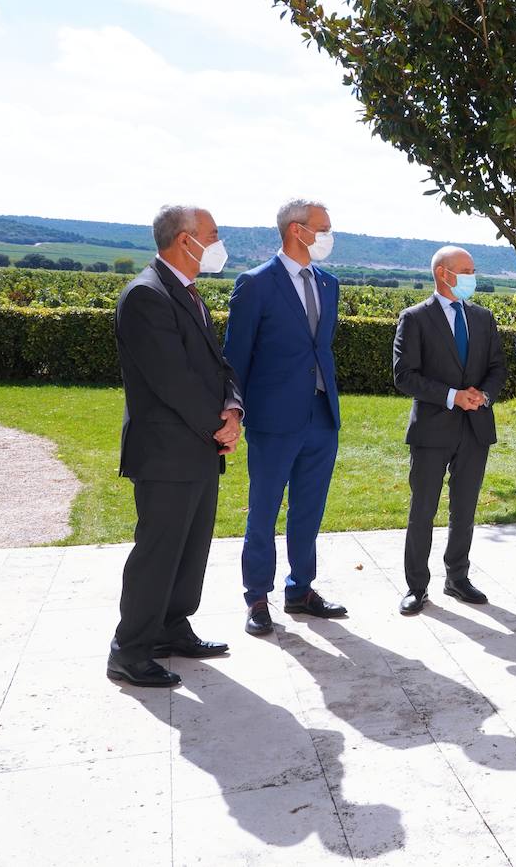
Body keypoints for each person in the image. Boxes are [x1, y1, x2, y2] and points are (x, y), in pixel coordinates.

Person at [107, 204, 241, 687]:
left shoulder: (188, 293)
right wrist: (217, 424)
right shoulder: (147, 294)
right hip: (166, 452)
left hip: (199, 447)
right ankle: (130, 650)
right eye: (213, 233)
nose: (219, 241)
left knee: (190, 549)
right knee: (159, 552)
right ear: (186, 241)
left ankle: (170, 628)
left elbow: (218, 366)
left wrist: (233, 410)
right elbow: (172, 379)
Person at [223, 198, 347, 637]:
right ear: (297, 230)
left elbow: (320, 348)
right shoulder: (255, 284)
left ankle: (301, 589)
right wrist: (233, 409)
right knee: (264, 510)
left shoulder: (329, 284)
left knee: (309, 510)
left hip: (321, 415)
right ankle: (257, 596)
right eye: (324, 228)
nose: (330, 235)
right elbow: (234, 357)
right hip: (273, 419)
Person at [393, 247, 507, 614]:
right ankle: (416, 586)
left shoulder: (483, 317)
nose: (474, 276)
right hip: (432, 430)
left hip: (475, 428)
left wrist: (483, 396)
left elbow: (497, 367)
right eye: (467, 270)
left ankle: (457, 578)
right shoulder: (414, 318)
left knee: (465, 509)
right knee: (422, 510)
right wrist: (452, 396)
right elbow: (404, 376)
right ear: (443, 274)